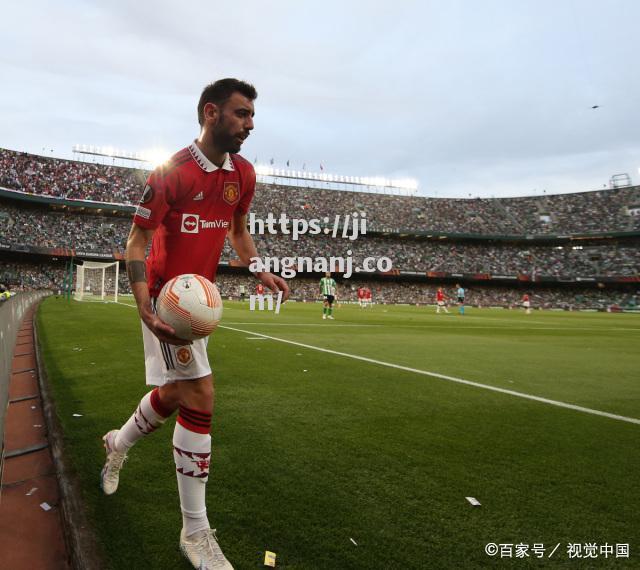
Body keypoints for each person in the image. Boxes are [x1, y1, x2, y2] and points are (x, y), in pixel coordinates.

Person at [100, 78, 289, 570]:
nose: (250, 124)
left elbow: (238, 230)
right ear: (211, 113)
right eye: (241, 114)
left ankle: (116, 443)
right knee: (200, 394)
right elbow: (136, 243)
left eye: (251, 115)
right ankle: (195, 531)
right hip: (168, 302)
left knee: (176, 394)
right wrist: (144, 304)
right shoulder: (172, 172)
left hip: (198, 300)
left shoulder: (243, 173)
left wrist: (257, 268)